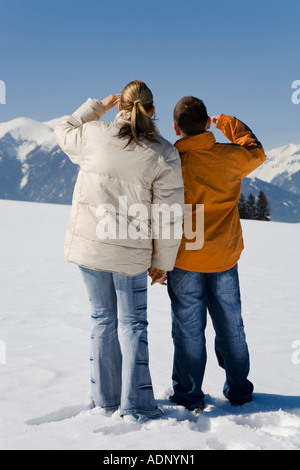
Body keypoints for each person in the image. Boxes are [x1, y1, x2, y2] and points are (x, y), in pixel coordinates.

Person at [54, 80, 184, 422]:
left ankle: (105, 400)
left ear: (120, 108)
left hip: (90, 249)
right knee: (133, 324)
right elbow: (168, 218)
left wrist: (98, 106)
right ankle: (136, 405)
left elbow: (63, 129)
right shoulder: (164, 152)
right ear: (153, 111)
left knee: (102, 320)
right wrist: (162, 264)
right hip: (131, 255)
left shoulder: (93, 134)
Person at [167, 96, 267, 412]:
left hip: (184, 258)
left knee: (188, 329)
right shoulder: (230, 157)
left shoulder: (170, 163)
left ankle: (188, 394)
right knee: (230, 325)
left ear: (175, 128)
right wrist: (227, 123)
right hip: (223, 256)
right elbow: (256, 151)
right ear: (207, 122)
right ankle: (239, 390)